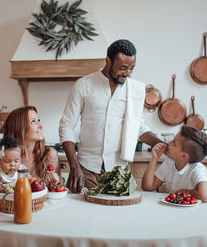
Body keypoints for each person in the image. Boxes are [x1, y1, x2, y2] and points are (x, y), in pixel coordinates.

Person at [59, 39, 161, 193]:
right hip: (87, 168)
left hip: (119, 170)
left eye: (131, 69)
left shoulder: (135, 90)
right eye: (123, 68)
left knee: (117, 215)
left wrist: (161, 144)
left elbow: (138, 127)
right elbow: (66, 125)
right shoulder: (83, 85)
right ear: (108, 60)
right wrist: (74, 165)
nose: (127, 74)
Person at [142, 125, 207, 203]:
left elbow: (206, 196)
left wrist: (184, 192)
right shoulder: (169, 162)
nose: (168, 143)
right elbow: (148, 187)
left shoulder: (197, 169)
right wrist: (154, 159)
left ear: (183, 156)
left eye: (174, 143)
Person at [4, 106, 61, 184]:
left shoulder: (49, 154)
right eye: (33, 121)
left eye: (39, 120)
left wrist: (56, 182)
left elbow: (58, 189)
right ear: (19, 128)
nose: (41, 126)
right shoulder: (5, 156)